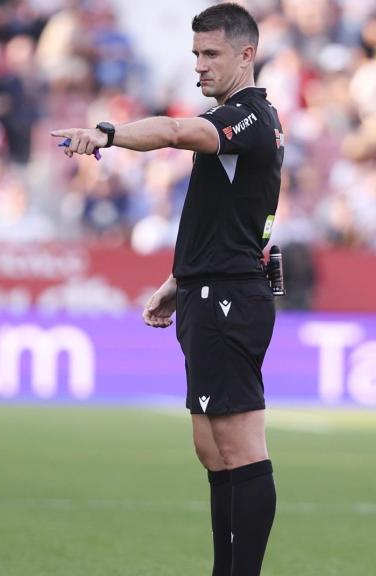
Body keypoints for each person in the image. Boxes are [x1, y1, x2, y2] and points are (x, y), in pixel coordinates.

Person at [53, 4, 282, 574]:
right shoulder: (229, 119)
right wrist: (179, 282)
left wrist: (107, 134)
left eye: (212, 54)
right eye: (196, 54)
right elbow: (225, 219)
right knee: (211, 447)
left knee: (241, 446)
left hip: (232, 298)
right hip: (207, 291)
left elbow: (180, 131)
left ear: (245, 55)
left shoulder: (249, 117)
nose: (200, 65)